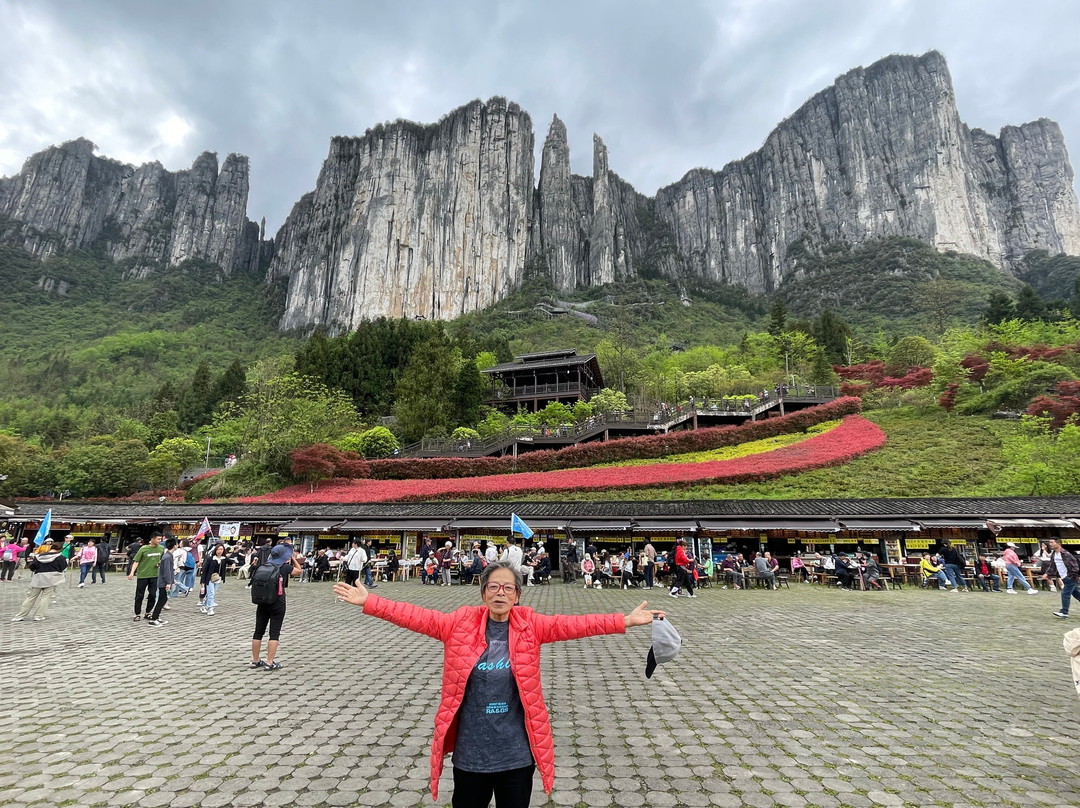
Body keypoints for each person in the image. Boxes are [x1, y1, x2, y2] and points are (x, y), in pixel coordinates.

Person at [332, 560, 664, 806]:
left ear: (517, 595)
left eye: (507, 587)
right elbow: (417, 616)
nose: (500, 593)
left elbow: (574, 625)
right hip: (470, 755)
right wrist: (370, 603)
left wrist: (625, 620)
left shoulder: (530, 625)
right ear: (483, 592)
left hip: (516, 755)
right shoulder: (458, 623)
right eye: (493, 586)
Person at [251, 542, 303, 671]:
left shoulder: (263, 566)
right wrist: (294, 560)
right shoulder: (284, 567)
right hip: (277, 602)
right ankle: (270, 662)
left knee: (258, 632)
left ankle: (255, 660)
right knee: (274, 633)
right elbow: (299, 572)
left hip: (262, 602)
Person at [11, 538, 69, 622]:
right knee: (45, 598)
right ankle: (39, 616)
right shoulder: (61, 558)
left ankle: (20, 616)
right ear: (60, 549)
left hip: (38, 579)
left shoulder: (40, 556)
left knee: (30, 597)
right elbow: (63, 567)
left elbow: (32, 567)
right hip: (52, 579)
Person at [128, 534, 165, 621]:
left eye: (161, 539)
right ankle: (137, 613)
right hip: (143, 575)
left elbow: (162, 559)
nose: (160, 541)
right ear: (152, 539)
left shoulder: (161, 548)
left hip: (154, 575)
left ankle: (148, 612)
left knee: (152, 594)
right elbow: (136, 561)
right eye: (158, 539)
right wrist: (132, 572)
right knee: (139, 595)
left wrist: (159, 564)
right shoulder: (143, 549)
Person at [1044, 539, 1080, 619]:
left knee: (1065, 593)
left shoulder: (1066, 554)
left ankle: (1064, 612)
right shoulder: (1054, 554)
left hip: (1071, 577)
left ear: (1058, 543)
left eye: (1052, 542)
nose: (1050, 544)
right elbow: (1052, 566)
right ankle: (1064, 612)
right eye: (1050, 543)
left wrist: (1071, 575)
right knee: (1077, 594)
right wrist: (1047, 573)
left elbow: (1075, 565)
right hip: (1064, 577)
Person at [147, 538, 178, 626]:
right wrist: (168, 582)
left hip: (164, 581)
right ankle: (153, 619)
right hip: (163, 582)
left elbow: (169, 570)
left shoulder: (168, 555)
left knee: (163, 599)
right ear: (174, 545)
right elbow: (166, 571)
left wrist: (172, 580)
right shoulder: (167, 556)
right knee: (161, 600)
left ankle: (156, 617)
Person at [201, 543, 232, 616]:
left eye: (221, 549)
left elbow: (231, 562)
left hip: (218, 578)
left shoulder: (224, 558)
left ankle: (204, 606)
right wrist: (202, 581)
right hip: (209, 578)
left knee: (212, 593)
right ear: (215, 550)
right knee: (211, 593)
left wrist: (233, 564)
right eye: (218, 549)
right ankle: (210, 608)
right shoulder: (210, 558)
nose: (219, 551)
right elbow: (205, 569)